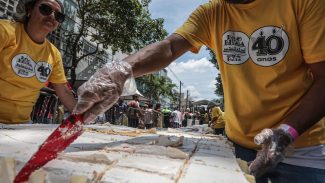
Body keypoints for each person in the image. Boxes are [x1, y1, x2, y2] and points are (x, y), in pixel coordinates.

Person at [73, 0, 325, 182]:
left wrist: (285, 133)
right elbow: (170, 47)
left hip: (302, 150)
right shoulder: (212, 11)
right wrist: (121, 69)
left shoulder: (304, 3)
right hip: (240, 147)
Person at [0, 0, 76, 124]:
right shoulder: (5, 30)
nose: (52, 16)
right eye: (45, 9)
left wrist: (84, 115)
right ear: (29, 10)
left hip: (22, 125)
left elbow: (64, 92)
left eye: (58, 16)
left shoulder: (54, 53)